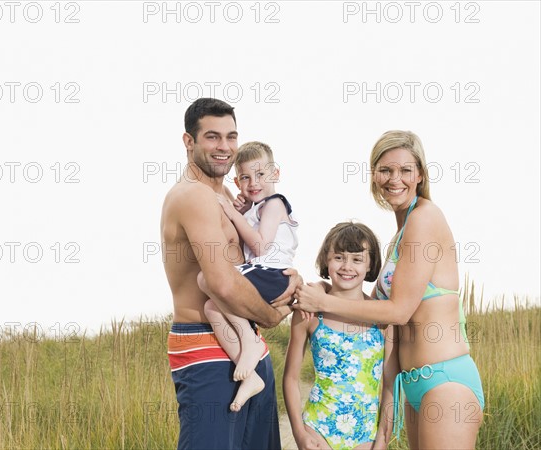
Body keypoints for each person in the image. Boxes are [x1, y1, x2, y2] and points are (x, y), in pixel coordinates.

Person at [281, 131, 484, 449]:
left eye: (405, 170)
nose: (395, 179)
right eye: (385, 170)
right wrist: (318, 288)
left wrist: (321, 300)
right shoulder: (398, 238)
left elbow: (398, 311)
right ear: (374, 175)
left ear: (419, 175)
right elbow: (367, 304)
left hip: (445, 380)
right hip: (414, 384)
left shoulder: (425, 217)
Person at [160, 98, 299, 450]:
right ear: (188, 141)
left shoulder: (228, 195)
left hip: (248, 348)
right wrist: (273, 314)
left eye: (231, 136)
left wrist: (293, 280)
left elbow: (263, 253)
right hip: (206, 347)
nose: (224, 147)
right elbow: (221, 282)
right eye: (212, 137)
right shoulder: (192, 197)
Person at [197, 141, 299, 412]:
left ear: (275, 173)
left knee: (206, 280)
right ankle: (250, 373)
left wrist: (232, 212)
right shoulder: (255, 208)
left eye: (261, 175)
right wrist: (241, 212)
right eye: (245, 177)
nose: (254, 182)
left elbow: (261, 246)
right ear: (237, 180)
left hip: (272, 273)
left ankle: (250, 342)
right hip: (260, 274)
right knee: (211, 307)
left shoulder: (275, 204)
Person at [283, 222, 397, 450]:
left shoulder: (383, 318)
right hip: (318, 429)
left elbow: (390, 386)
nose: (347, 266)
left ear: (370, 264)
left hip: (365, 435)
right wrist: (300, 434)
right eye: (339, 257)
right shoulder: (309, 313)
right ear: (326, 259)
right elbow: (291, 378)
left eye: (357, 259)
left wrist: (382, 440)